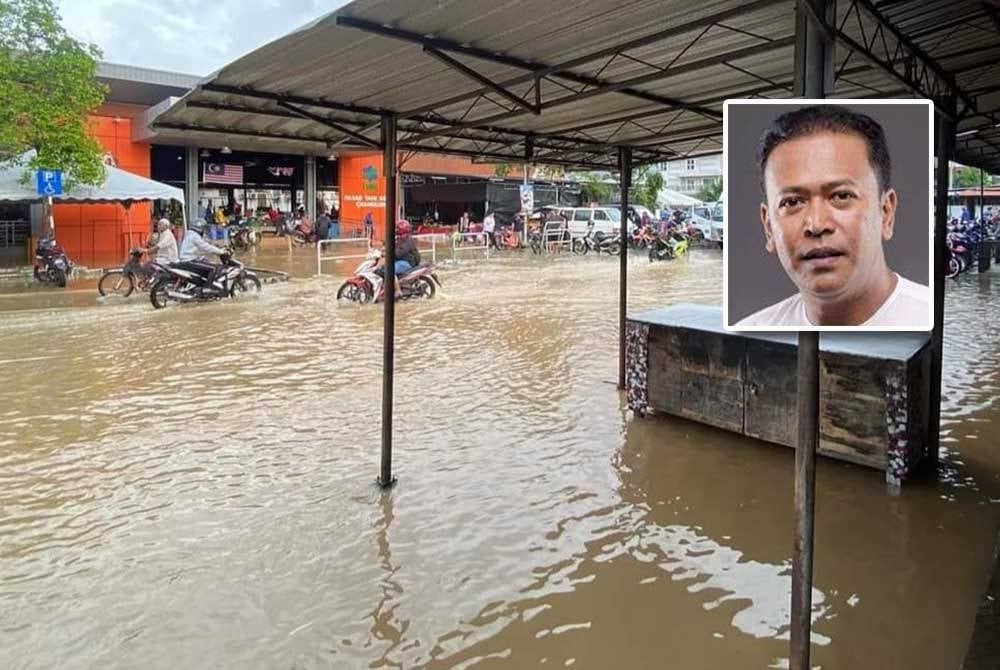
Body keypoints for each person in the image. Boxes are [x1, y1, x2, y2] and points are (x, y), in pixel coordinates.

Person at [736, 104, 930, 328]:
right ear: (769, 227)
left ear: (886, 212)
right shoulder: (752, 334)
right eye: (792, 202)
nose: (817, 225)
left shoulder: (930, 323)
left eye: (841, 196)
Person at [374, 220, 420, 298]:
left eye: (398, 228)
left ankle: (398, 291)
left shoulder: (408, 240)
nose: (396, 230)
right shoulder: (400, 238)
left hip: (407, 262)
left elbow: (399, 252)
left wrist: (388, 253)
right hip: (400, 260)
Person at [178, 218, 227, 288]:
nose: (204, 230)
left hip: (187, 259)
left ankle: (200, 284)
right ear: (200, 228)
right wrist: (221, 252)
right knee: (214, 269)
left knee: (205, 261)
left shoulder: (190, 234)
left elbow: (204, 243)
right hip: (189, 260)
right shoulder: (195, 236)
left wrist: (215, 245)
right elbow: (206, 247)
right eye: (204, 228)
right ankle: (207, 289)